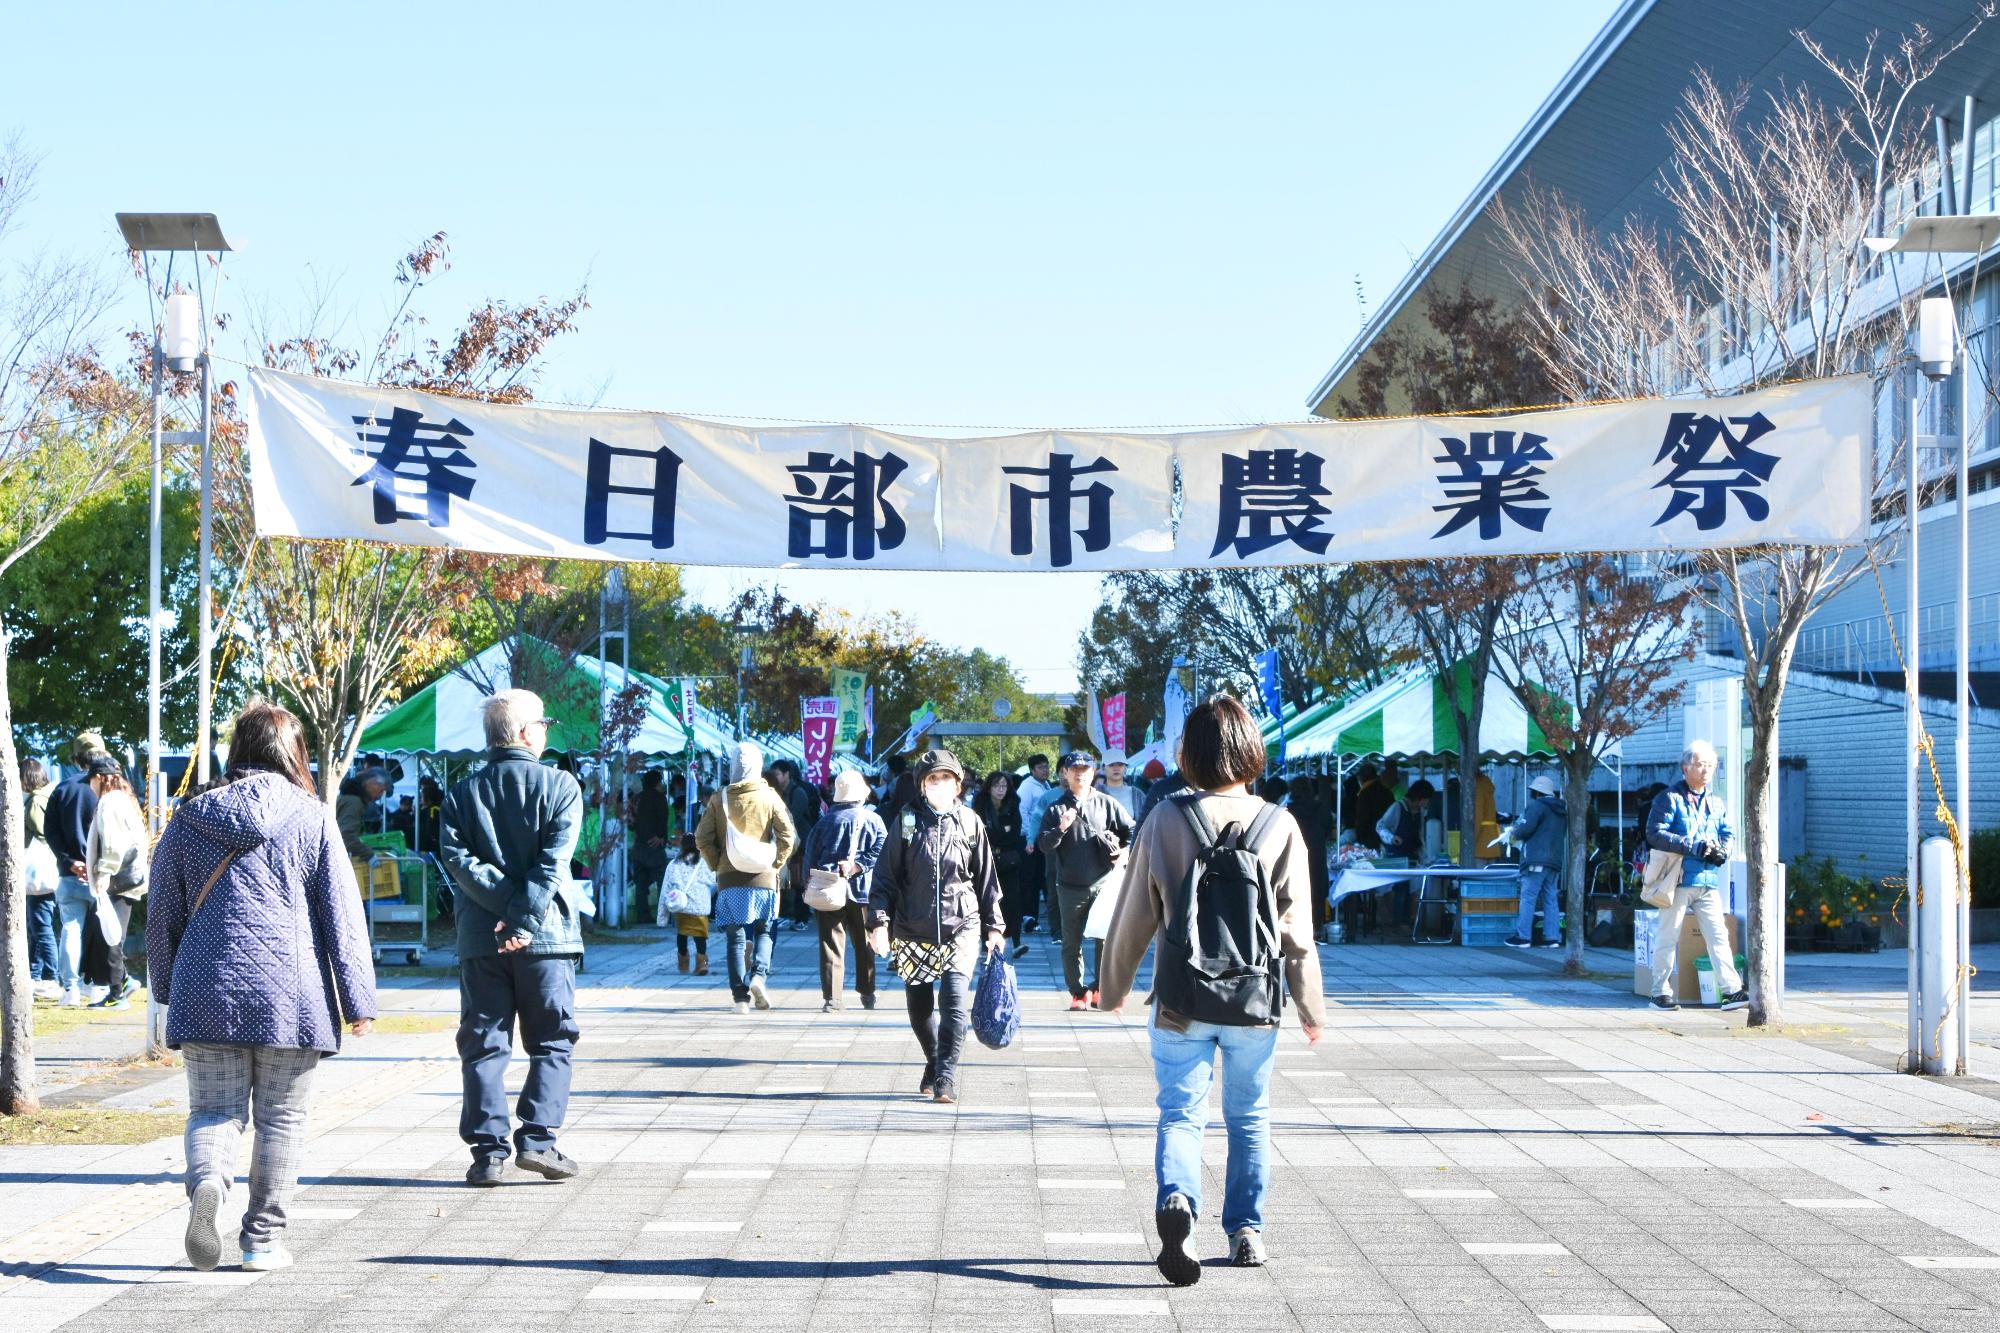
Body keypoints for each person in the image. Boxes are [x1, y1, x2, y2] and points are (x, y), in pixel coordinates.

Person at [1097, 694, 1327, 1284]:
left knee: (1180, 1113)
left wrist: (1113, 986)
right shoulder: (1280, 824)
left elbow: (1133, 914)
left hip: (1180, 996)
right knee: (1250, 1115)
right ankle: (1247, 1231)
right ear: (1250, 750)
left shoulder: (1166, 818)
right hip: (1255, 999)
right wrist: (1310, 1006)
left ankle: (1179, 1203)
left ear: (1189, 755)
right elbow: (1297, 927)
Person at [146, 699, 377, 1273]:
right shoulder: (311, 815)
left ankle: (209, 1187)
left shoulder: (190, 817)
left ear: (238, 749)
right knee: (281, 1118)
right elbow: (341, 916)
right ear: (293, 752)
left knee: (213, 1111)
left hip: (206, 990)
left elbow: (163, 911)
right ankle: (262, 1241)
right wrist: (357, 1000)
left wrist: (166, 983)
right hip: (291, 996)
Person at [439, 689, 587, 1186]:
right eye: (544, 722)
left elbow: (459, 863)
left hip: (482, 937)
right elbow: (553, 863)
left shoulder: (461, 793)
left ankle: (487, 1154)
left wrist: (505, 911)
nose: (548, 730)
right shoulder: (562, 786)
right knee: (552, 1039)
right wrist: (524, 919)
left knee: (483, 1044)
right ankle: (539, 1140)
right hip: (548, 937)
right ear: (525, 732)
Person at [866, 749, 1004, 1105]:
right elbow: (884, 877)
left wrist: (994, 927)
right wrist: (879, 922)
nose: (939, 785)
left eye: (946, 778)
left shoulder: (971, 822)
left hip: (962, 923)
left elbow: (987, 879)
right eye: (932, 779)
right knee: (920, 1007)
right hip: (912, 927)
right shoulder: (907, 820)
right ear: (922, 786)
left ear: (958, 784)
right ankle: (934, 1061)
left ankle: (945, 1076)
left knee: (954, 1001)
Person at [1646, 740, 1748, 1012]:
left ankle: (1732, 990)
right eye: (1701, 764)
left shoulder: (1715, 801)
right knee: (1668, 936)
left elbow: (1727, 831)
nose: (1706, 770)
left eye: (1711, 765)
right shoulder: (1669, 798)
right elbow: (1655, 833)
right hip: (1677, 879)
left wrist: (1723, 850)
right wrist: (1693, 846)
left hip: (1707, 879)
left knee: (1719, 936)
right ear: (1685, 767)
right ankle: (1659, 992)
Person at [696, 742, 797, 1015]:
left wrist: (717, 863)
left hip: (730, 878)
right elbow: (788, 835)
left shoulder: (720, 798)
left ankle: (740, 999)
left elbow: (701, 838)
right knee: (764, 930)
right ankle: (759, 977)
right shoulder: (769, 796)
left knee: (736, 938)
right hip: (764, 876)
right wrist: (776, 862)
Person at [1036, 751, 1135, 1011]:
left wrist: (1124, 852)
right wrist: (1061, 828)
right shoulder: (1056, 807)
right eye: (1074, 769)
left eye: (1085, 769)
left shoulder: (1107, 803)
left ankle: (1101, 988)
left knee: (1107, 939)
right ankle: (1078, 993)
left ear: (1094, 773)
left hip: (1104, 882)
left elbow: (1132, 830)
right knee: (1072, 942)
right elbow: (1043, 844)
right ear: (1065, 774)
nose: (1080, 773)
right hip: (1070, 885)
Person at [803, 770, 886, 1012]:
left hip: (828, 889)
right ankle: (867, 992)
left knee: (830, 944)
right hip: (863, 891)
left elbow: (810, 856)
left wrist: (808, 885)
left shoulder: (826, 820)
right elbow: (883, 848)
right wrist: (860, 865)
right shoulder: (874, 820)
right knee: (865, 944)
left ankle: (832, 999)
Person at [44, 732, 105, 1006]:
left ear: (76, 758)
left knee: (70, 928)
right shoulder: (106, 788)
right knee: (101, 931)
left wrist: (70, 861)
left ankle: (69, 988)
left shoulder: (62, 789)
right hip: (101, 873)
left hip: (69, 873)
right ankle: (98, 986)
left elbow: (51, 832)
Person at [84, 756, 149, 1008]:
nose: (89, 785)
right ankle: (122, 983)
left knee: (109, 936)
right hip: (128, 878)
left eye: (90, 779)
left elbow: (112, 845)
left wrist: (103, 873)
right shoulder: (124, 800)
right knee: (108, 932)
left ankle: (118, 992)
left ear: (100, 778)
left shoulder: (109, 802)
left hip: (117, 880)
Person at [1500, 775, 1567, 950]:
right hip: (1554, 860)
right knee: (1550, 898)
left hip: (1536, 859)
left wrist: (1512, 832)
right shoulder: (1561, 809)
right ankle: (1552, 938)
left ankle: (1523, 937)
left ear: (1537, 792)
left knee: (1528, 897)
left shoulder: (1537, 806)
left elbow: (1525, 828)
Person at [973, 770, 1031, 959]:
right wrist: (1000, 833)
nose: (1000, 789)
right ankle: (985, 941)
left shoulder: (1013, 805)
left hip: (1009, 860)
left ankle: (1015, 941)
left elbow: (1014, 836)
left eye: (1004, 786)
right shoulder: (980, 806)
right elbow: (982, 836)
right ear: (989, 787)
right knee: (987, 900)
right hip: (985, 860)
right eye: (996, 785)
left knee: (1012, 900)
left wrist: (998, 834)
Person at [21, 757, 60, 1000]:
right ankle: (36, 974)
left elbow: (39, 832)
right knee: (39, 926)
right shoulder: (52, 794)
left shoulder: (36, 801)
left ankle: (51, 976)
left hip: (39, 875)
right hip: (49, 873)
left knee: (40, 927)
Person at [656, 835, 715, 975]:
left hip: (682, 906)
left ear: (682, 846)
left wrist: (662, 917)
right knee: (700, 935)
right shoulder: (705, 863)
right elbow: (713, 880)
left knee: (682, 934)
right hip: (700, 906)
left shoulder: (674, 864)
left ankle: (683, 963)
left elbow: (666, 888)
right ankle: (702, 963)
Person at [771, 760, 820, 929]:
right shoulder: (779, 793)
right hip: (787, 842)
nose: (775, 777)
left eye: (778, 773)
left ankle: (801, 917)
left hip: (801, 842)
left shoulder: (797, 792)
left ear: (786, 774)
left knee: (799, 880)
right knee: (787, 878)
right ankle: (787, 914)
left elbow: (793, 818)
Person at [1016, 753, 1055, 935]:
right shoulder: (1026, 787)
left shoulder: (1046, 785)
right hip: (1030, 839)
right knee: (1030, 878)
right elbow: (1022, 811)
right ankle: (1028, 916)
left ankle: (1038, 916)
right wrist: (1027, 836)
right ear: (1032, 770)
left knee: (1043, 877)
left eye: (1046, 766)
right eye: (1040, 767)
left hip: (1043, 838)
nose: (1045, 770)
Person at [629, 769, 672, 919]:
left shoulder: (637, 798)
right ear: (657, 782)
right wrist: (661, 837)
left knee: (640, 883)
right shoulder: (659, 798)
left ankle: (642, 915)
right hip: (654, 845)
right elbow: (663, 819)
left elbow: (631, 822)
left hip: (639, 844)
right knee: (662, 880)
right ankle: (662, 914)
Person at [335, 767, 388, 864]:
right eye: (381, 790)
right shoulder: (354, 802)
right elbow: (346, 836)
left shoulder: (349, 797)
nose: (381, 795)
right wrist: (369, 855)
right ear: (370, 782)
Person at [1375, 778, 1435, 862]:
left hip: (1412, 860)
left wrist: (1426, 859)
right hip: (1395, 860)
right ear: (1420, 798)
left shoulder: (1420, 812)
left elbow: (1419, 838)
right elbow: (1380, 827)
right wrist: (1391, 838)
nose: (1428, 802)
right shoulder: (1397, 807)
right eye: (1427, 799)